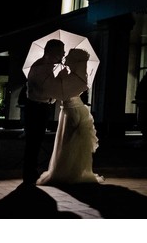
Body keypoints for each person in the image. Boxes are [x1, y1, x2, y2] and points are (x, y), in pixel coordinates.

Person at [37, 48, 104, 185]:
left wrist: (59, 78)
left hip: (72, 111)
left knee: (69, 143)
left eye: (68, 57)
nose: (65, 58)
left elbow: (63, 94)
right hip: (69, 110)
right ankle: (70, 171)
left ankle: (68, 172)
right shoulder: (74, 75)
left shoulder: (74, 77)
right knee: (68, 142)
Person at [23, 38, 66, 184]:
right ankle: (29, 172)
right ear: (53, 52)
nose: (63, 54)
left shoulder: (46, 66)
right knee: (34, 140)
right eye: (61, 51)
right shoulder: (42, 67)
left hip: (40, 107)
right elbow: (46, 90)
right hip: (36, 107)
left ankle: (30, 170)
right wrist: (59, 83)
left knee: (35, 140)